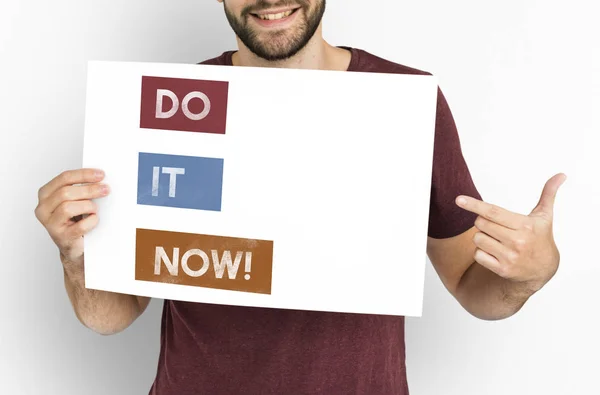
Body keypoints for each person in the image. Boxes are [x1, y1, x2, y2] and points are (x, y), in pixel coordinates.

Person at [34, 1, 566, 394]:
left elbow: (474, 290)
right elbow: (110, 315)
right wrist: (75, 255)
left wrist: (530, 273)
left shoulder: (402, 103)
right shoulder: (164, 107)